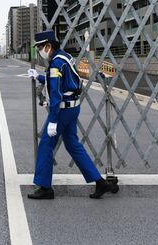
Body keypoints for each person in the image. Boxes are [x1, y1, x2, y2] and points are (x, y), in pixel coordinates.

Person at [27, 30, 111, 200]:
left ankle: (45, 187)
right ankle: (100, 182)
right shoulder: (64, 57)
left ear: (48, 46)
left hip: (62, 110)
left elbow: (56, 94)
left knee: (45, 144)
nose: (39, 51)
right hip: (73, 107)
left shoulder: (56, 64)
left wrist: (53, 120)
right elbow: (65, 81)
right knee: (72, 144)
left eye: (40, 48)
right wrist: (40, 77)